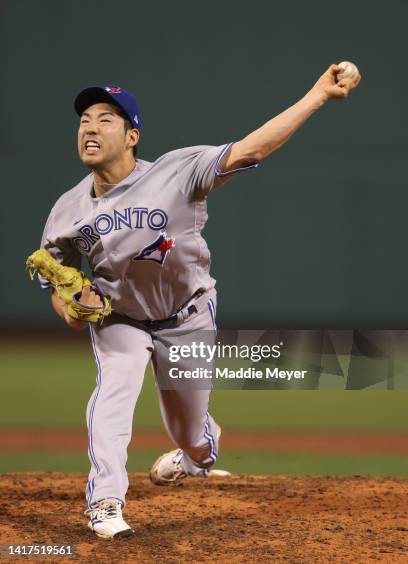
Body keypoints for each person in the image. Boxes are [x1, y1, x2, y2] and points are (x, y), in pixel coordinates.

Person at [38, 65, 361, 539]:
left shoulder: (177, 171)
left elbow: (252, 148)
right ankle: (105, 501)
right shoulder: (67, 210)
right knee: (113, 393)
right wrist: (69, 308)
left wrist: (317, 95)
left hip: (187, 316)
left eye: (106, 118)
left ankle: (195, 459)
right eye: (84, 118)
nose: (90, 126)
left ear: (132, 136)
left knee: (193, 435)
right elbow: (57, 285)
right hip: (119, 319)